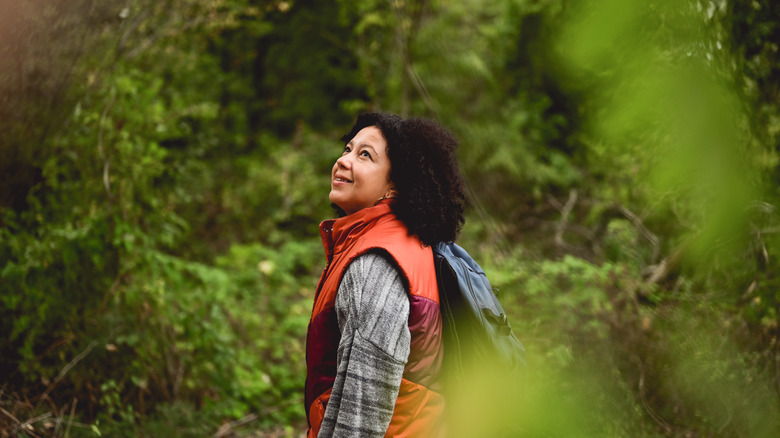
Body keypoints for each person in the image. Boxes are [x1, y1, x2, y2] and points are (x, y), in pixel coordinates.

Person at [304, 112, 467, 437]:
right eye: (348, 149)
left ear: (396, 183)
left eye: (365, 155)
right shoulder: (399, 242)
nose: (343, 161)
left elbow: (364, 407)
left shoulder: (376, 262)